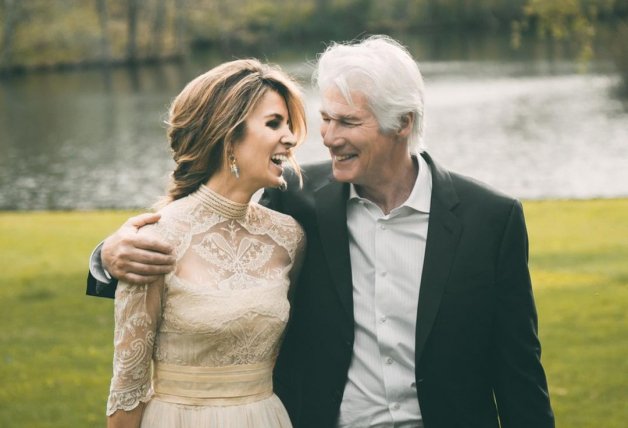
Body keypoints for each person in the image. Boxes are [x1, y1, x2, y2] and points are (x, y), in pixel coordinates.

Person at [88, 36, 554, 427]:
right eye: (326, 118)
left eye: (348, 122)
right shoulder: (298, 198)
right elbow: (212, 237)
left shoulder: (490, 219)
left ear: (402, 124)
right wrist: (106, 258)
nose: (327, 137)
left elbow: (519, 372)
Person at [91, 58, 307, 428]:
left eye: (288, 125)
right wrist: (103, 257)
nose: (290, 138)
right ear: (229, 137)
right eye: (274, 123)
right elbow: (128, 389)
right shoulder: (154, 241)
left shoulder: (289, 237)